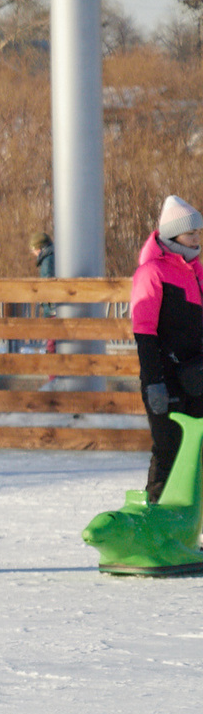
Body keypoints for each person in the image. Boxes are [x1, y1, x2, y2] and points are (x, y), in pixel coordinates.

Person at [133, 195, 203, 504]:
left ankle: (189, 527)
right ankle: (156, 519)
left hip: (196, 378)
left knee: (196, 452)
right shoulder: (152, 273)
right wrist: (154, 382)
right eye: (191, 233)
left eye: (199, 233)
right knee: (168, 449)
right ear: (173, 234)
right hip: (164, 377)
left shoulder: (197, 271)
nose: (197, 238)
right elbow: (144, 332)